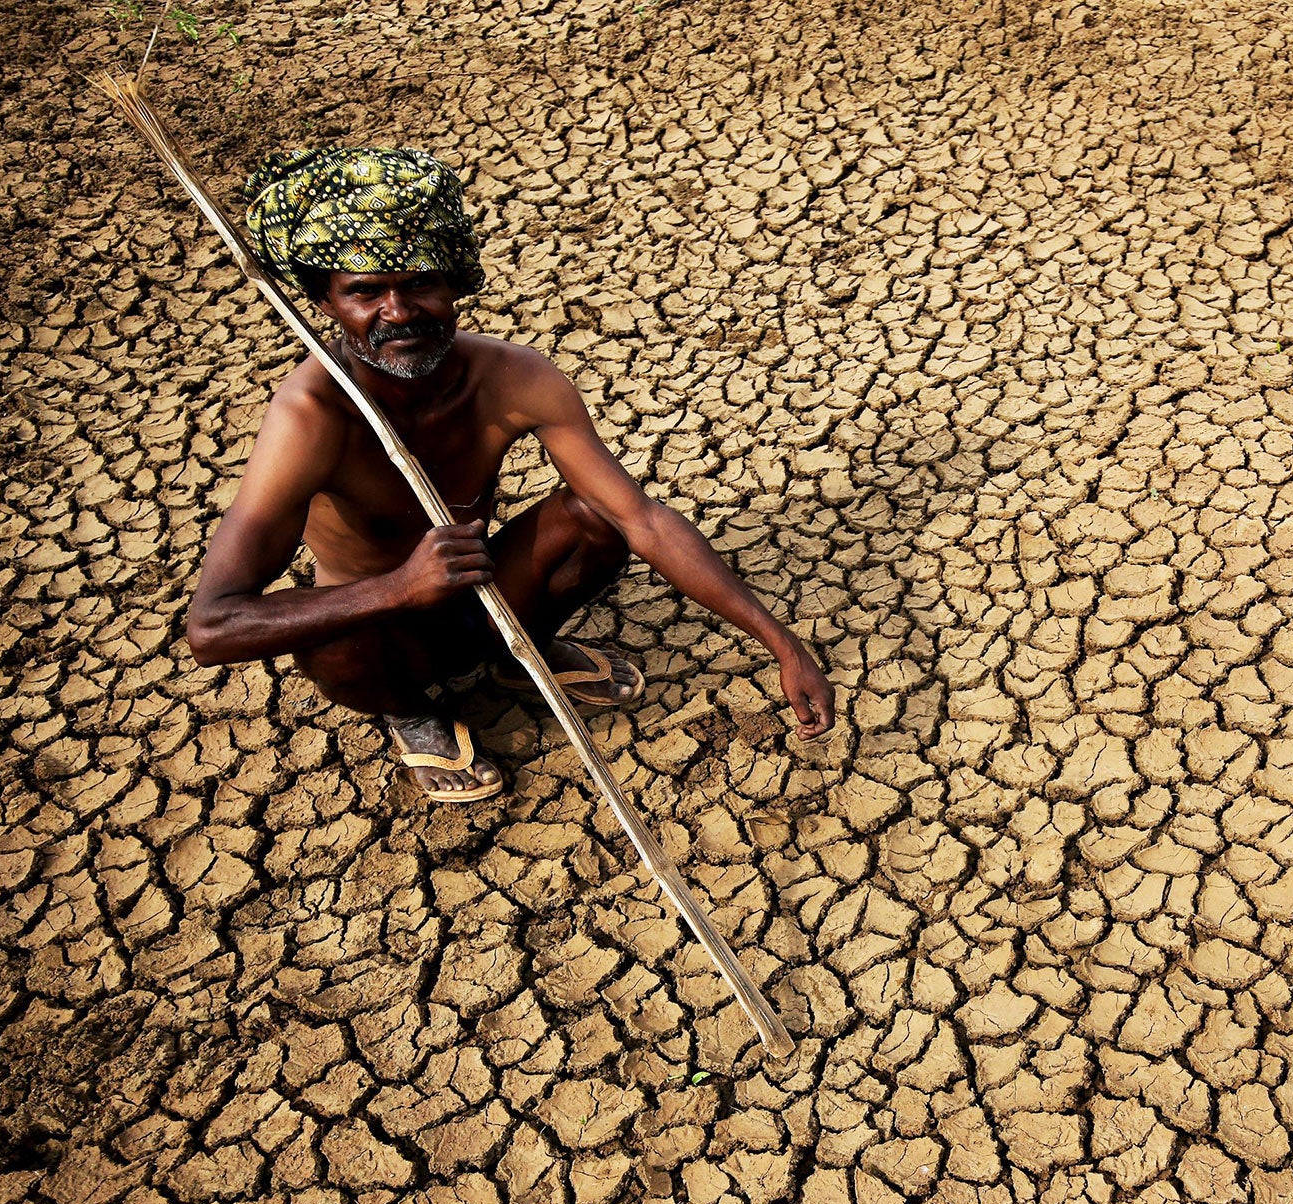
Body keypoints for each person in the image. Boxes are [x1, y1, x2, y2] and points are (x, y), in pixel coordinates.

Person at [185, 147, 837, 802]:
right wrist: (397, 589)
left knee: (594, 517)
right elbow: (212, 626)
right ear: (324, 303)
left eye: (420, 283)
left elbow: (643, 520)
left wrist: (781, 644)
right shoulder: (311, 417)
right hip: (386, 637)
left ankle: (515, 656)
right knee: (332, 640)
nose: (399, 310)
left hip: (485, 595)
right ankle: (413, 714)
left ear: (455, 283)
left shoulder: (514, 378)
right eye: (364, 291)